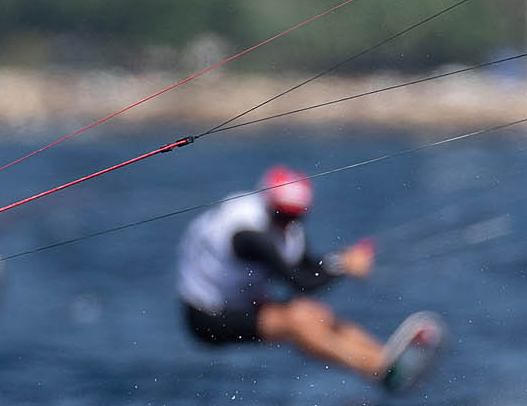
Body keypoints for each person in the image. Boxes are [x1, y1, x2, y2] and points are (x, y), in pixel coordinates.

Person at [176, 164, 442, 390]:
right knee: (299, 322)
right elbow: (300, 282)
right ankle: (378, 370)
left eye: (295, 217)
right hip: (206, 319)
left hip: (240, 302)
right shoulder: (246, 233)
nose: (288, 224)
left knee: (318, 314)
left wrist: (342, 259)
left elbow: (305, 268)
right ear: (269, 205)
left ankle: (386, 358)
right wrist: (344, 264)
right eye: (283, 215)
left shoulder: (285, 225)